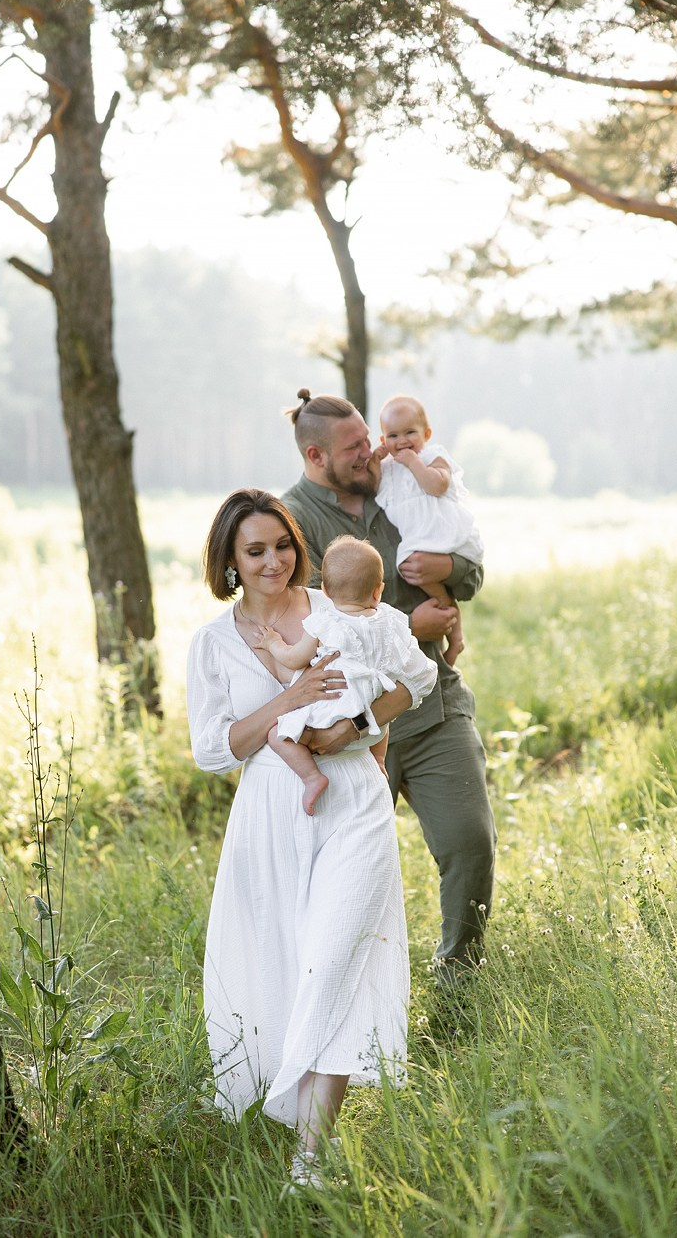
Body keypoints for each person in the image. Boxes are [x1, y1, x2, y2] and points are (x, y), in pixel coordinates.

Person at [186, 489, 438, 1191]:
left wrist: (352, 726)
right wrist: (287, 703)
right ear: (230, 561)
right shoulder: (213, 642)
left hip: (354, 795)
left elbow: (411, 683)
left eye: (282, 546)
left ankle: (310, 1158)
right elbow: (213, 749)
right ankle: (286, 1113)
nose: (273, 561)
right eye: (255, 551)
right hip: (273, 806)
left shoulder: (339, 607)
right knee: (283, 965)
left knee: (335, 960)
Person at [280, 390, 497, 990]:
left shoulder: (401, 482)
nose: (373, 452)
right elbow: (312, 619)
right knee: (338, 871)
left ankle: (459, 982)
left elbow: (470, 566)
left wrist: (449, 571)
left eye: (369, 439)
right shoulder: (291, 521)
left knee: (470, 842)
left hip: (432, 706)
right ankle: (338, 990)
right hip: (350, 724)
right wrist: (410, 625)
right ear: (317, 456)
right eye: (355, 447)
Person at [253, 534, 438, 815]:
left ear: (325, 591)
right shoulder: (390, 620)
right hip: (372, 713)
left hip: (334, 709)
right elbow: (407, 665)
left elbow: (295, 658)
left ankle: (311, 777)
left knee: (277, 734)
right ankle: (378, 761)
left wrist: (272, 643)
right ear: (378, 591)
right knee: (380, 702)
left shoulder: (325, 621)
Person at [375, 394, 485, 665]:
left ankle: (454, 633)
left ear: (426, 434)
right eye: (393, 436)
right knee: (409, 567)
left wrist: (414, 462)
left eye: (410, 433)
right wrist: (374, 461)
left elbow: (437, 486)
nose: (402, 441)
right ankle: (455, 633)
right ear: (383, 440)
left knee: (416, 567)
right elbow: (373, 487)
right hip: (418, 537)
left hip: (442, 531)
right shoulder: (388, 468)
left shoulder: (432, 456)